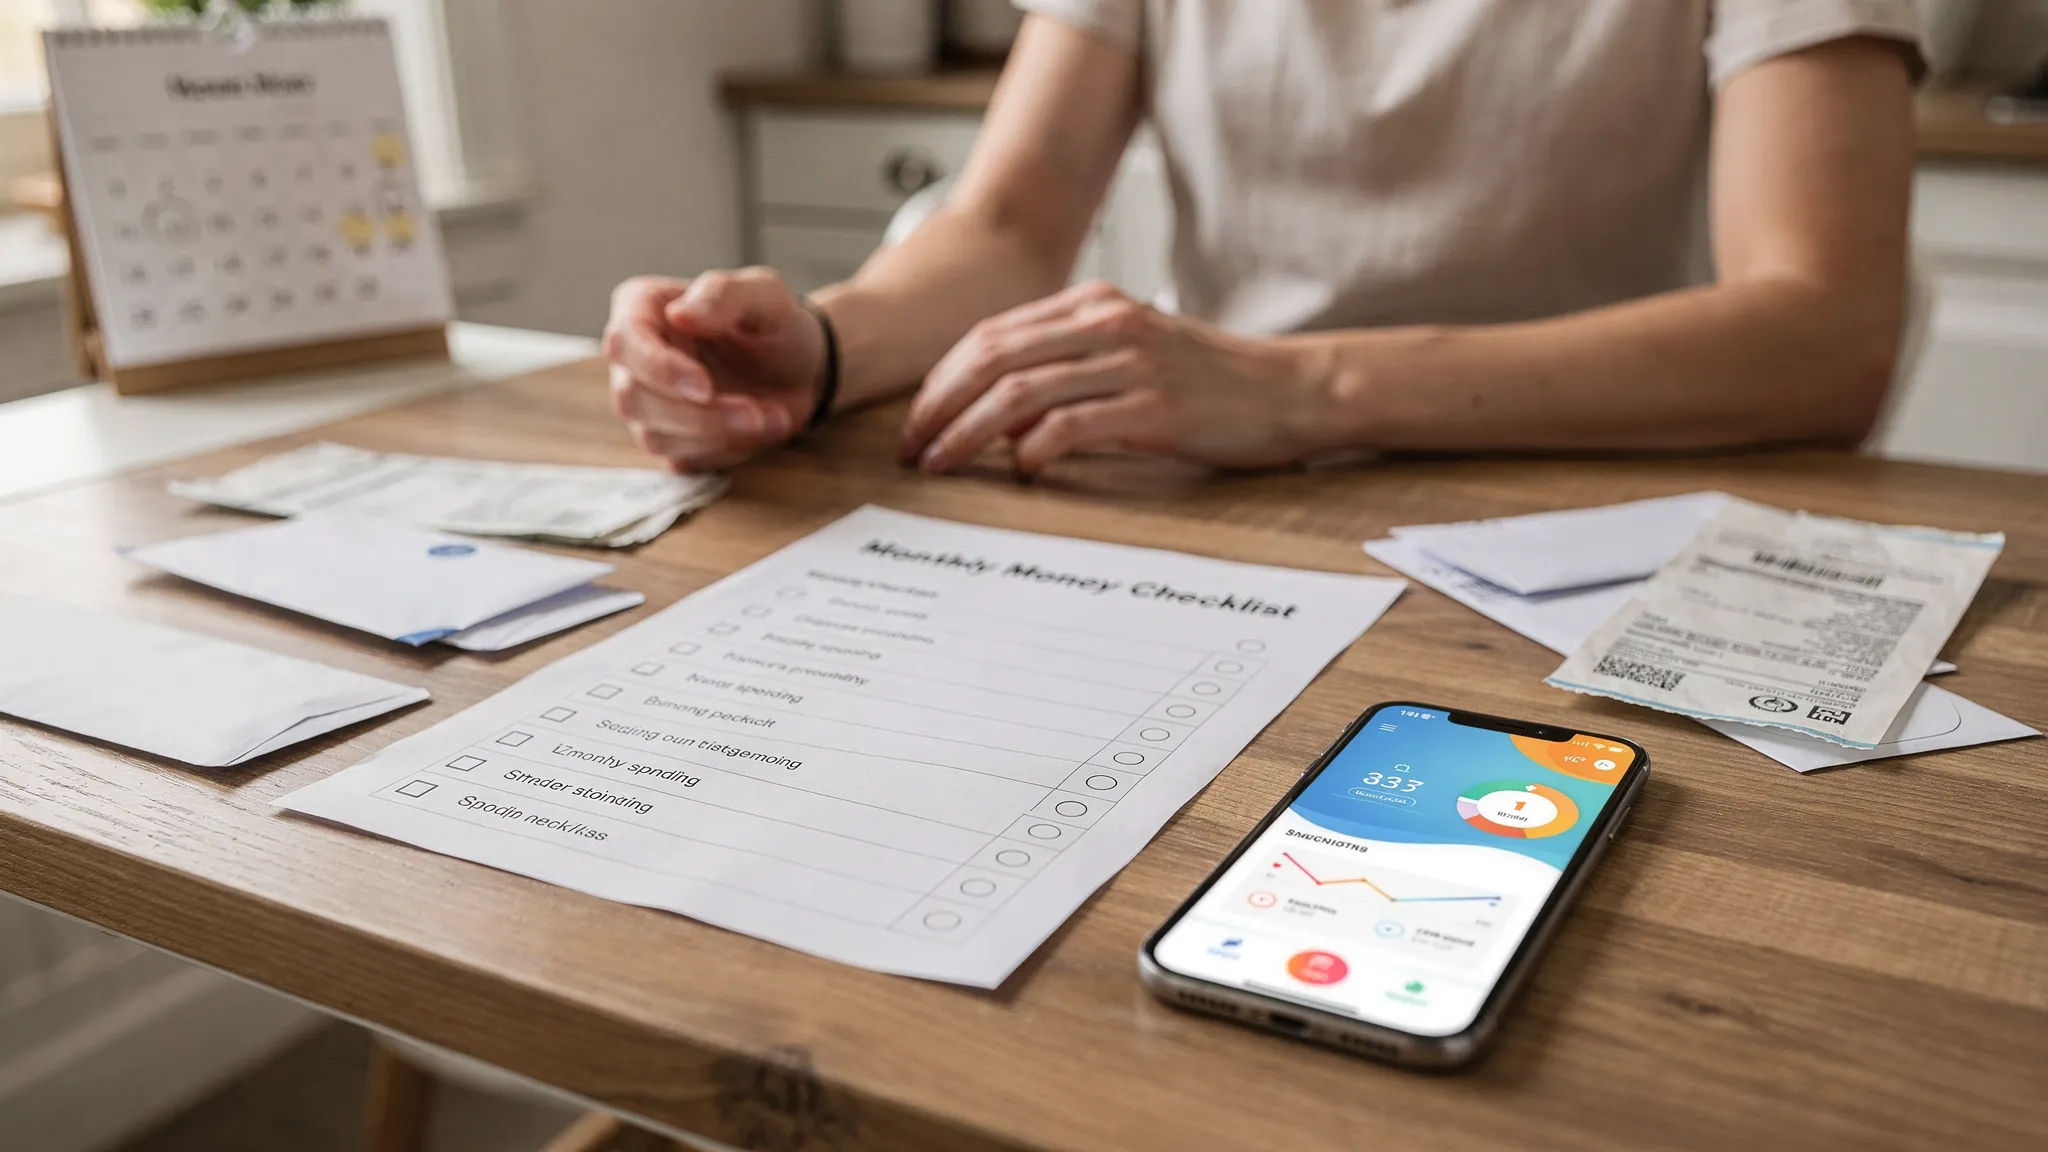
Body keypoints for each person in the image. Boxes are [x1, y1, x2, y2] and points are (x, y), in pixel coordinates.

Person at [603, 1, 1923, 477]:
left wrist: (1296, 384)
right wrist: (823, 350)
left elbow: (1824, 331)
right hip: (1225, 499)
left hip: (1586, 503)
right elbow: (1007, 224)